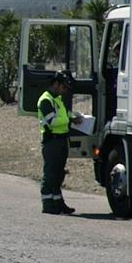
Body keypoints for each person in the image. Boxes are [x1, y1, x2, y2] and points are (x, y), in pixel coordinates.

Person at [37, 70, 82, 215]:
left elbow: (63, 114)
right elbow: (53, 121)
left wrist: (74, 116)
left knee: (58, 174)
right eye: (63, 87)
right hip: (52, 141)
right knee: (50, 173)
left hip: (61, 140)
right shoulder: (45, 100)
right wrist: (70, 120)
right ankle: (48, 204)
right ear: (56, 84)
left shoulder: (57, 99)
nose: (64, 91)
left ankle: (59, 203)